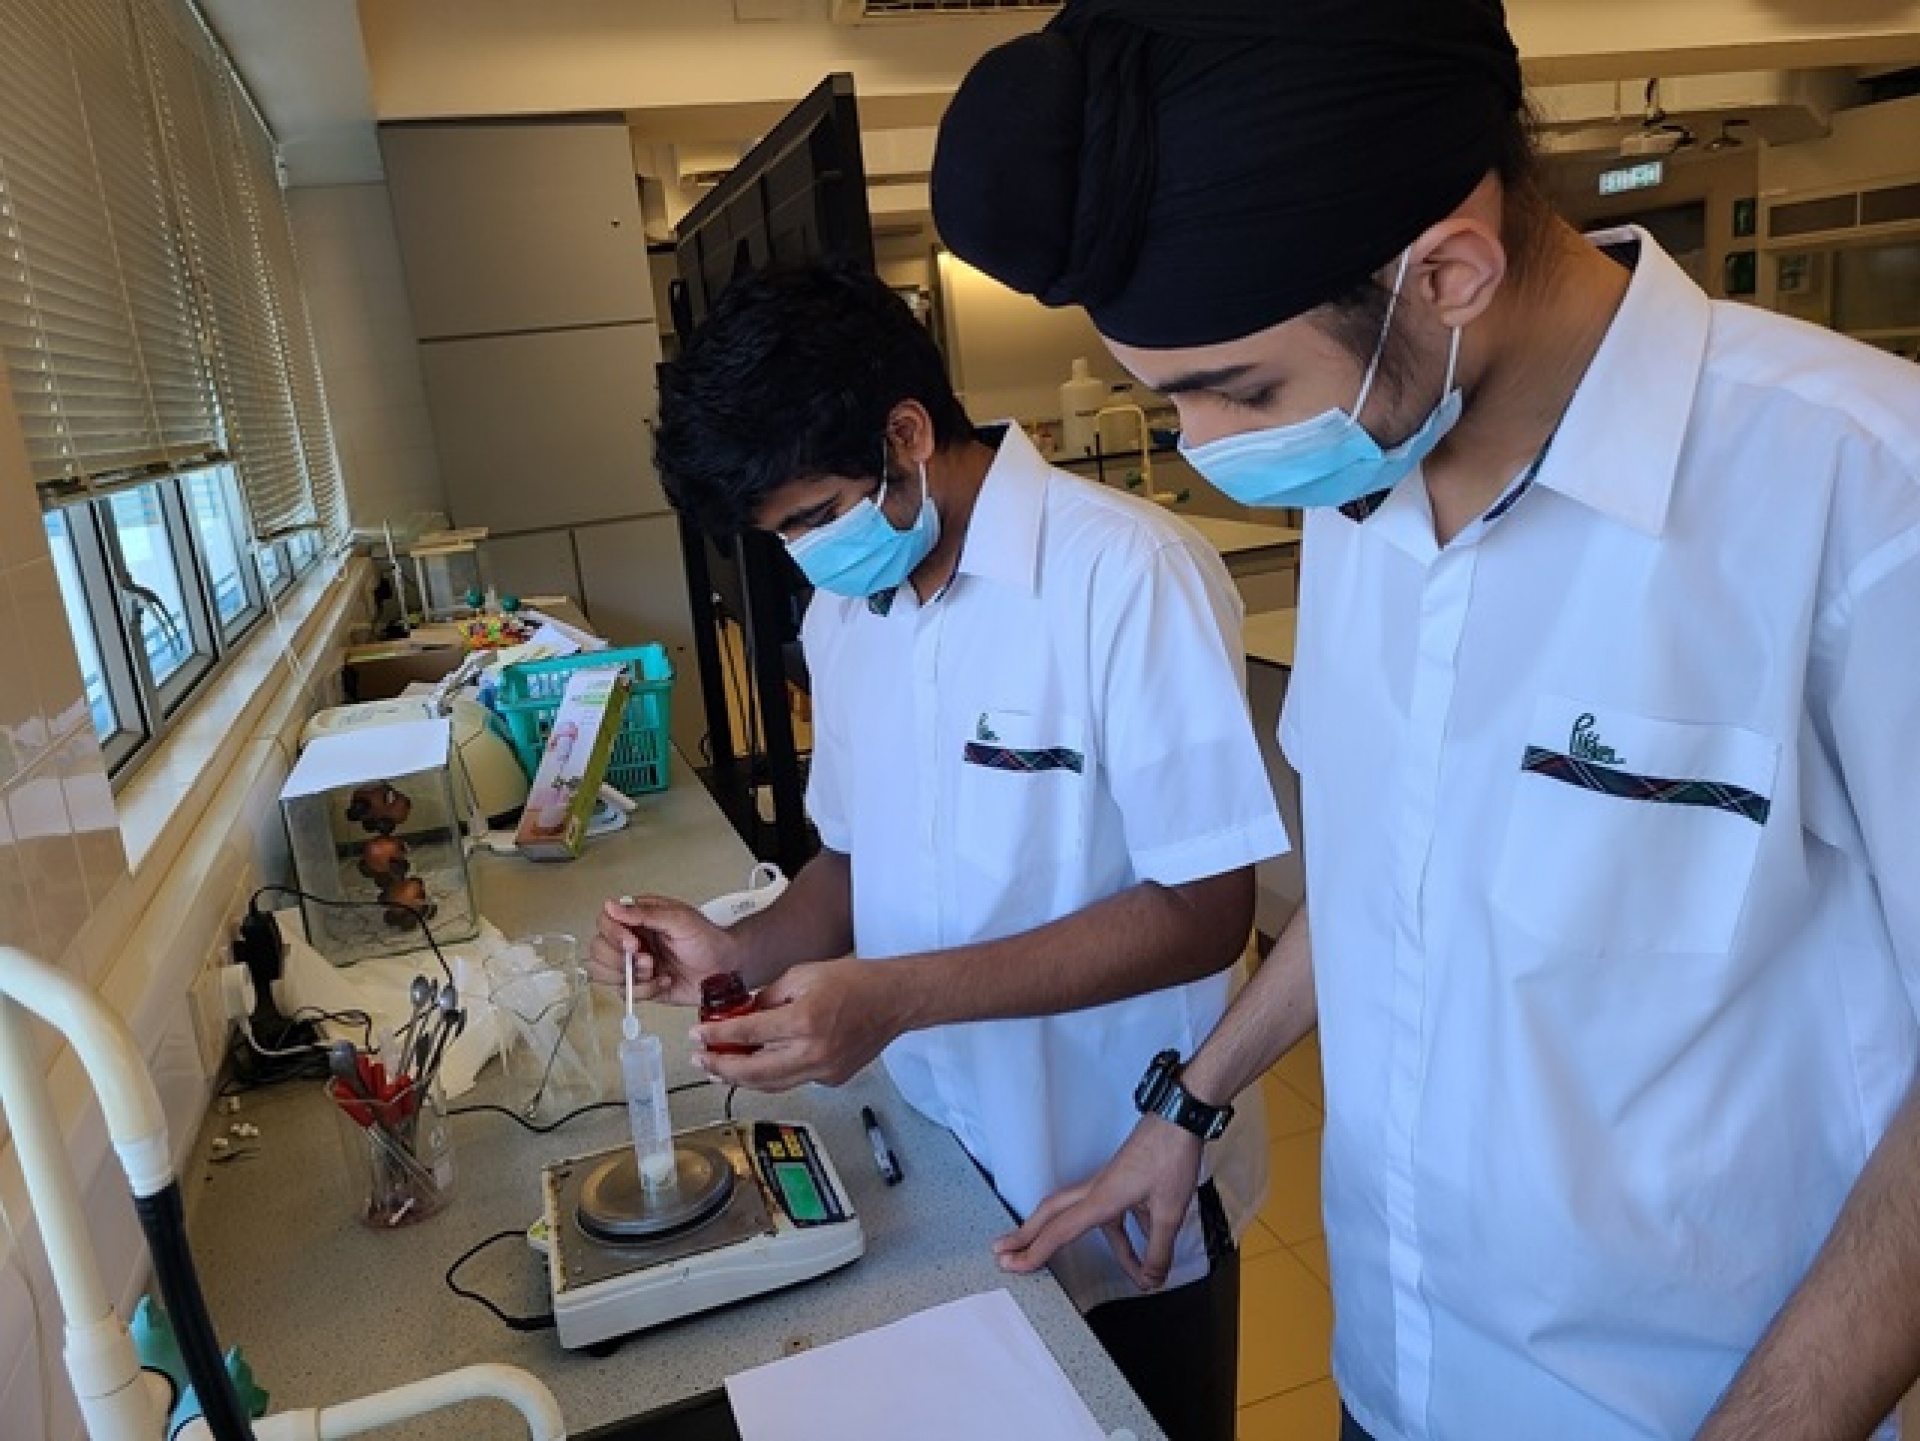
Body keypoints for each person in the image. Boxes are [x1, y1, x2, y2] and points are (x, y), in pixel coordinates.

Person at [931, 2, 1920, 1439]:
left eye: (1237, 390)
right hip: (1390, 1381)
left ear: (1448, 274)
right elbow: (1384, 878)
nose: (1206, 451)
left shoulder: (1863, 494)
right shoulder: (1372, 482)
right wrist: (1189, 1106)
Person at [587, 262, 1289, 1441]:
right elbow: (852, 863)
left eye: (813, 516)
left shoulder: (1124, 575)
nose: (805, 554)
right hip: (937, 1166)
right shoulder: (845, 615)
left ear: (906, 435)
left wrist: (895, 996)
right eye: (780, 534)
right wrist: (737, 949)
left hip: (1114, 1166)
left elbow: (1206, 909)